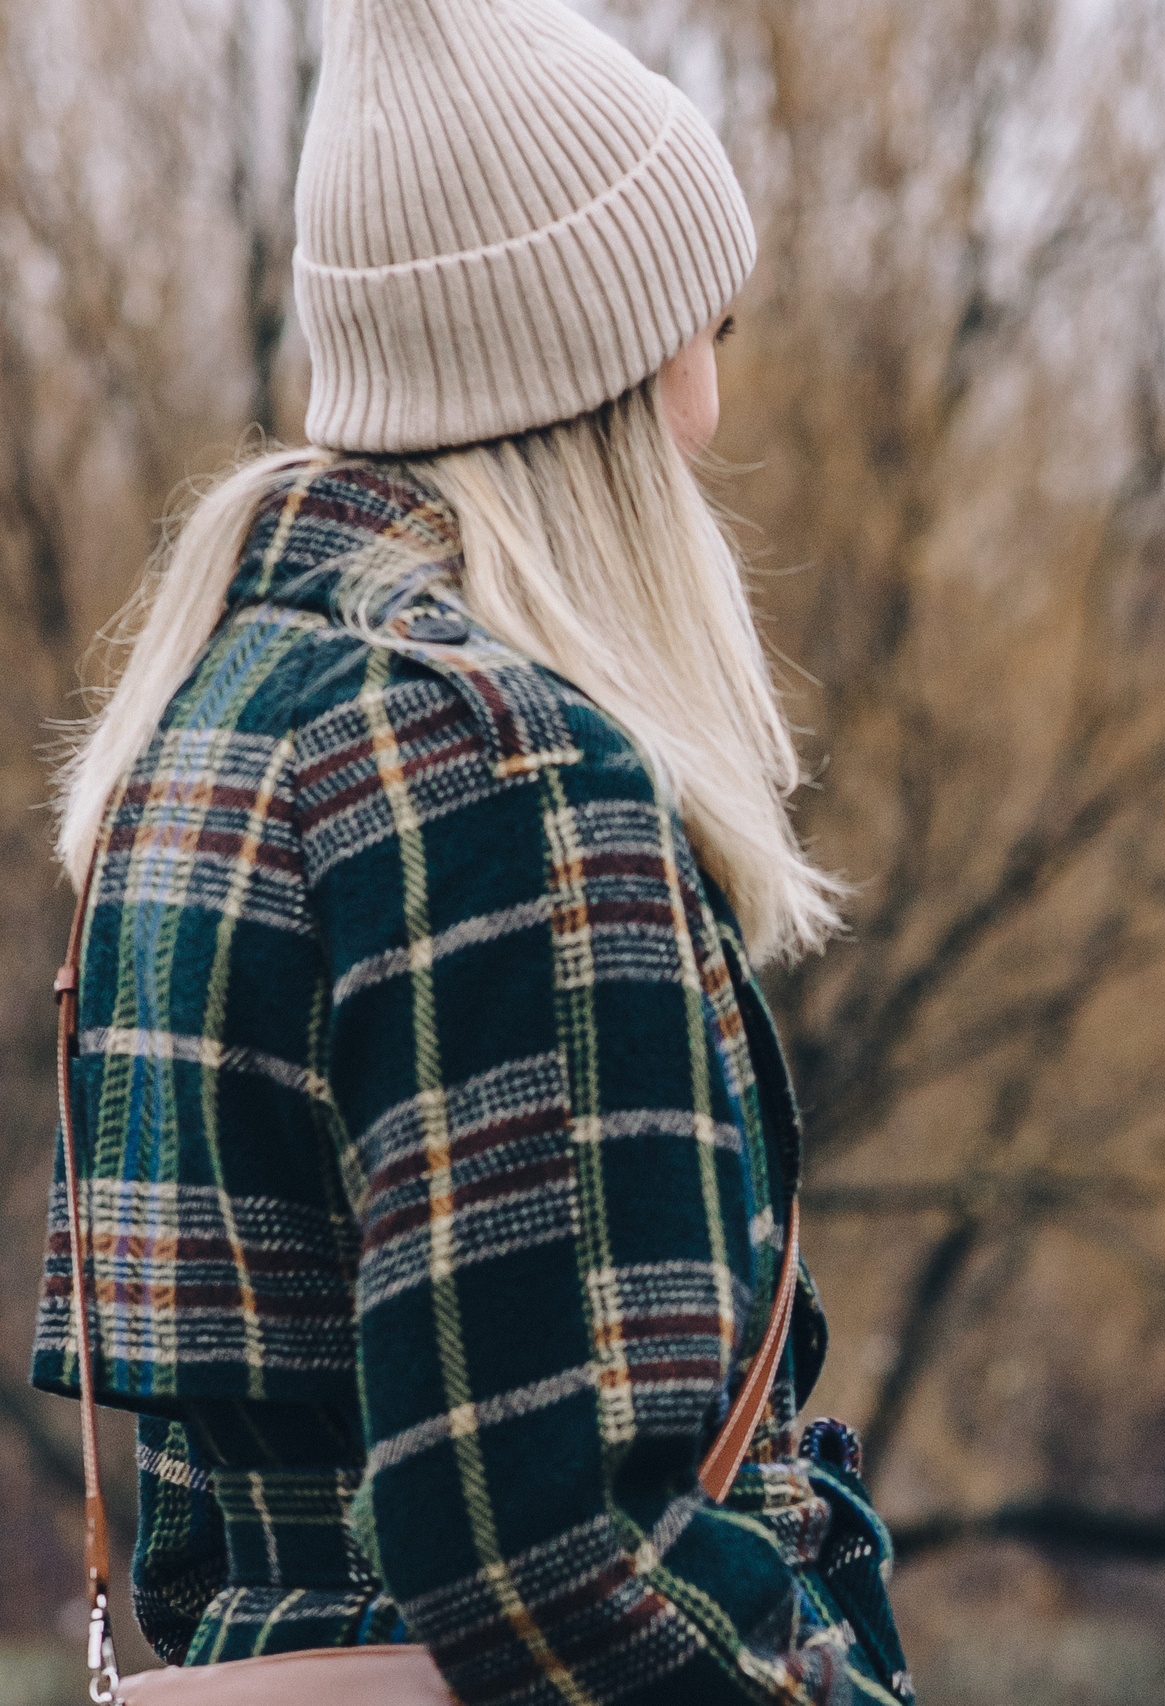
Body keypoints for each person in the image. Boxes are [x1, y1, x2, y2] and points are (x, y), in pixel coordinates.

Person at [29, 1, 908, 1700]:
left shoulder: (210, 721)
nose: (710, 406)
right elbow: (548, 1549)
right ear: (595, 363)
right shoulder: (492, 770)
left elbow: (227, 1500)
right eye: (700, 332)